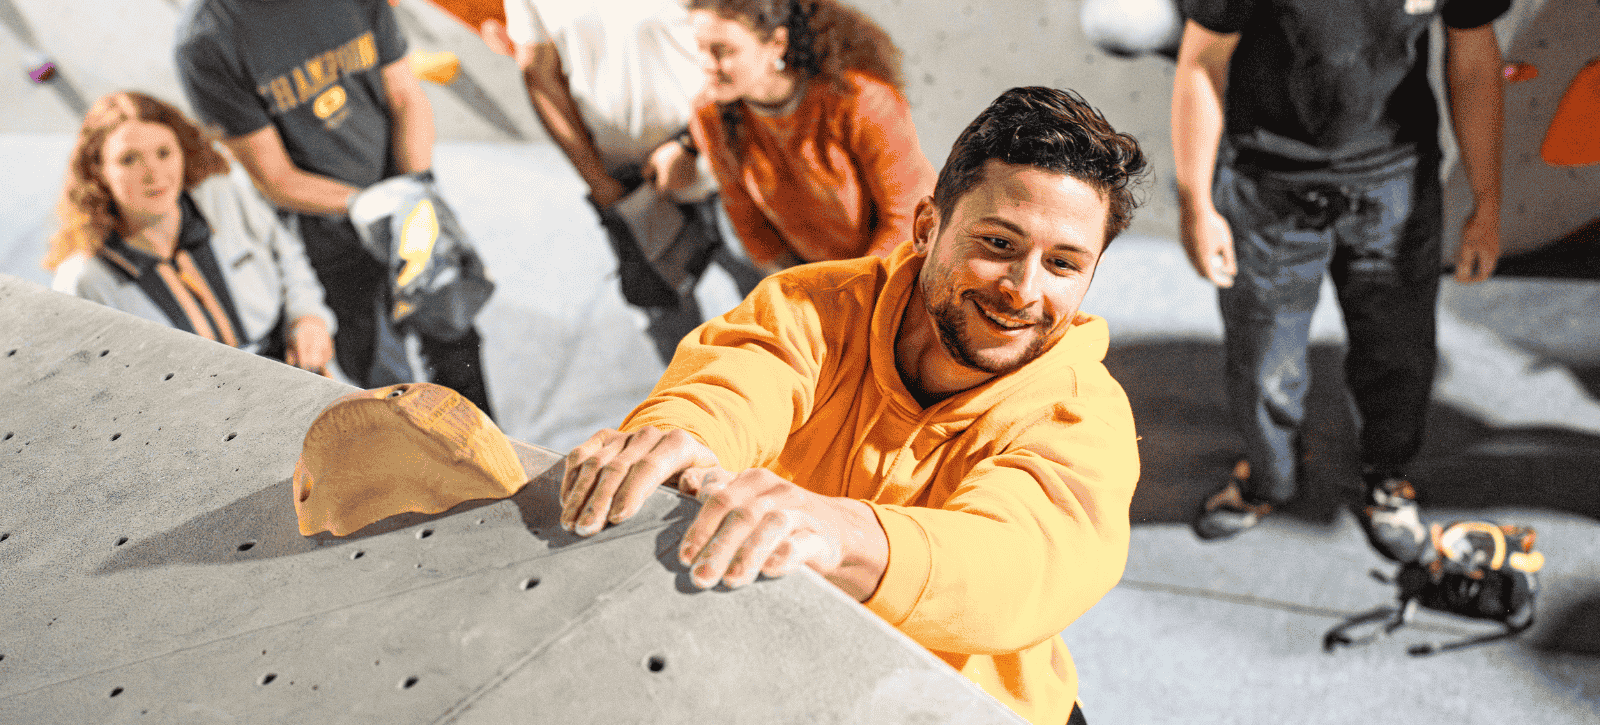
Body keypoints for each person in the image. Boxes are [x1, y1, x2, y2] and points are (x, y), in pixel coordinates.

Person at [560, 87, 1146, 725]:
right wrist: (682, 434)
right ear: (927, 227)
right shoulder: (813, 306)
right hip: (784, 682)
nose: (1023, 290)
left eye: (1063, 264)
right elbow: (737, 380)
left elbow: (1017, 565)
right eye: (999, 244)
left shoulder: (1084, 416)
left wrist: (841, 534)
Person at [1173, 0, 1508, 561]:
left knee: (1399, 356)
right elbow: (1203, 61)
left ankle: (1387, 478)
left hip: (1395, 184)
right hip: (1266, 186)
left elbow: (1473, 59)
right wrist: (1196, 205)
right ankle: (1269, 478)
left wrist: (1489, 202)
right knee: (1261, 364)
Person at [173, 0, 494, 416]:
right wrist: (366, 205)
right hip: (328, 242)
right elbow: (275, 178)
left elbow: (403, 96)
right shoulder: (206, 42)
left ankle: (495, 465)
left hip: (410, 204)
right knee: (390, 388)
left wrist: (414, 190)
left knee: (456, 343)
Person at [497, 0, 765, 363]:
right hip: (630, 184)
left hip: (723, 167)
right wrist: (600, 182)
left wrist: (690, 144)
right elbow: (540, 75)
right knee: (673, 337)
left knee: (778, 306)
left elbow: (745, 40)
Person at [47, 91, 336, 372]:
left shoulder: (224, 198)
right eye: (129, 160)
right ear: (98, 170)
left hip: (290, 369)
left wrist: (308, 317)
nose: (153, 173)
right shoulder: (84, 280)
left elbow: (288, 257)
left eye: (164, 153)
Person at [651, 0, 936, 273]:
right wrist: (800, 291)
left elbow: (906, 217)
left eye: (722, 50)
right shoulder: (709, 115)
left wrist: (848, 295)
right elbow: (749, 224)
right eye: (699, 48)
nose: (706, 64)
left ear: (776, 44)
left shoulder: (858, 100)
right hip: (822, 282)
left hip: (907, 269)